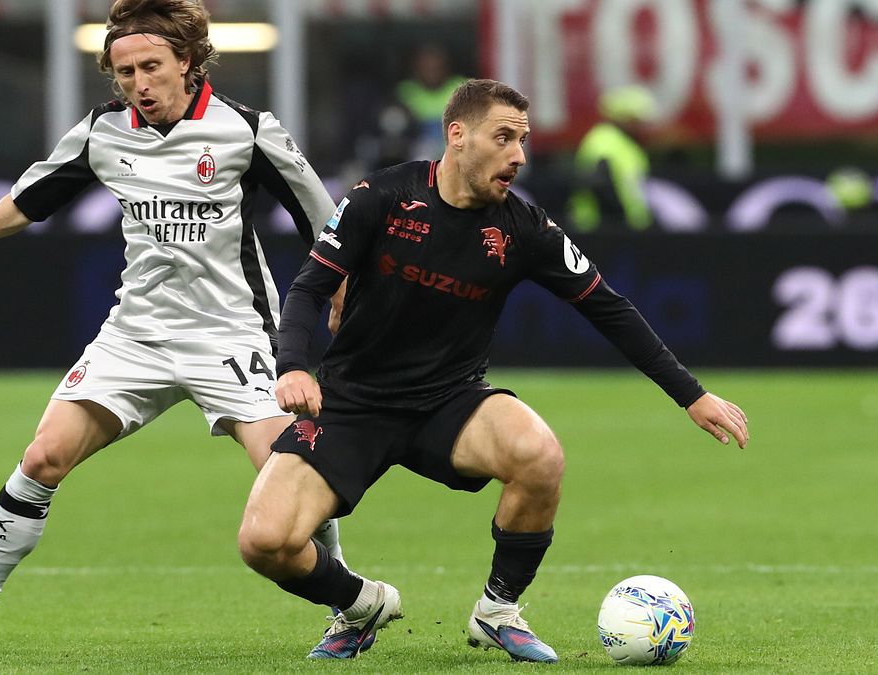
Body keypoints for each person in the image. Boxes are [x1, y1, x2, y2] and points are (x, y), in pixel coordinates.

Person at [236, 79, 749, 662]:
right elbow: (309, 289)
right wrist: (294, 367)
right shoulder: (382, 196)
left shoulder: (523, 228)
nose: (519, 156)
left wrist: (691, 395)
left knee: (539, 455)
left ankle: (498, 611)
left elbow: (609, 309)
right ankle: (361, 603)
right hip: (353, 403)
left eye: (523, 141)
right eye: (504, 138)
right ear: (457, 136)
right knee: (264, 541)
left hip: (449, 403)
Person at [0, 0, 350, 653]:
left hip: (231, 333)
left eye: (152, 67)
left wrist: (339, 290)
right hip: (136, 333)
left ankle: (346, 606)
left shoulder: (246, 130)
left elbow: (324, 219)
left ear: (186, 62)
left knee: (290, 471)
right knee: (43, 456)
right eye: (126, 71)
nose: (140, 83)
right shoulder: (102, 132)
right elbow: (29, 198)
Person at [567, 84, 658, 232]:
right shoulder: (603, 141)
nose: (643, 126)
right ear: (625, 118)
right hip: (601, 229)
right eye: (638, 120)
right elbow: (599, 185)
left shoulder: (627, 144)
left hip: (626, 229)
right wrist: (618, 220)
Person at [395, 43, 468, 161]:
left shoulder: (462, 88)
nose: (431, 72)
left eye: (436, 68)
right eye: (426, 68)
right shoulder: (406, 91)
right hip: (419, 152)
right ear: (416, 69)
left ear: (446, 67)